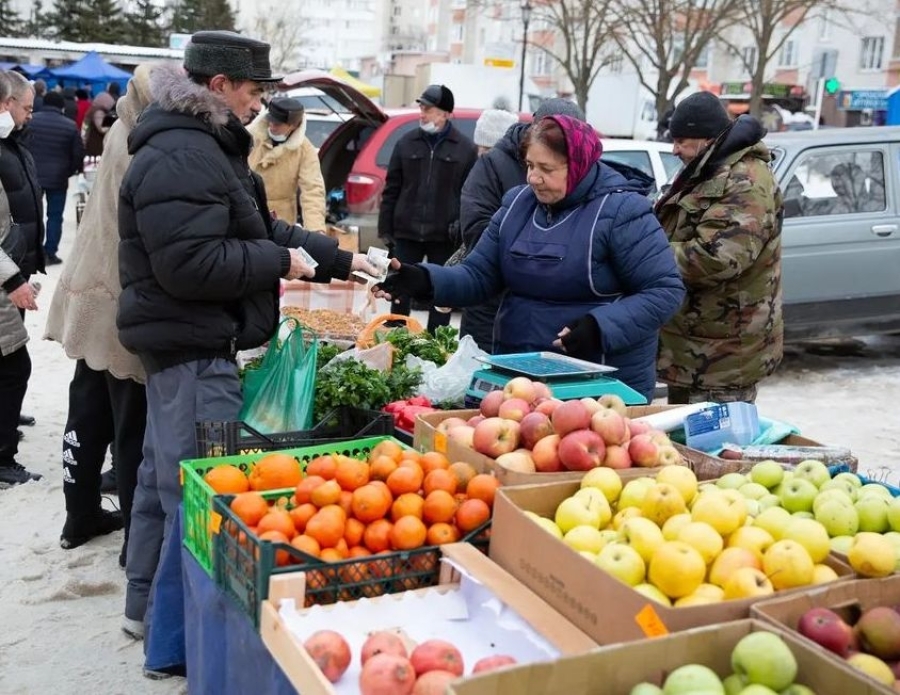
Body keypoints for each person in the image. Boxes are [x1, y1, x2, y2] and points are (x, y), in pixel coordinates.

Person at [116, 31, 378, 669]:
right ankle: (174, 646)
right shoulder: (184, 154)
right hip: (194, 341)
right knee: (200, 490)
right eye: (254, 92)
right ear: (218, 87)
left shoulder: (204, 144)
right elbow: (192, 264)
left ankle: (143, 613)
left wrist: (341, 258)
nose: (260, 106)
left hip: (186, 342)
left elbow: (256, 224)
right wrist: (282, 263)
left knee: (162, 478)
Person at [374, 115, 685, 402]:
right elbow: (478, 275)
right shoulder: (517, 205)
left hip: (597, 386)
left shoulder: (623, 211)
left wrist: (600, 327)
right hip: (519, 376)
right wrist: (424, 279)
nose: (534, 178)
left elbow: (664, 290)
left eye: (546, 169)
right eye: (529, 166)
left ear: (578, 165)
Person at [45, 64, 155, 560]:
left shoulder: (121, 129)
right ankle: (136, 540)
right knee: (129, 427)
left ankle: (79, 515)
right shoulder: (145, 142)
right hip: (119, 301)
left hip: (89, 290)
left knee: (86, 416)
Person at [654, 91, 784, 405]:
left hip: (723, 360)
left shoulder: (746, 181)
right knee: (681, 449)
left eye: (681, 141)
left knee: (714, 450)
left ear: (707, 140)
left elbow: (718, 258)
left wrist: (645, 256)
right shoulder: (708, 169)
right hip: (694, 349)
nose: (675, 150)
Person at [457, 98, 586, 352]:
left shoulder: (578, 168)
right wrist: (538, 258)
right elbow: (476, 229)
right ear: (534, 130)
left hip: (549, 314)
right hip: (492, 306)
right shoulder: (493, 164)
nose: (536, 178)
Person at [377, 84, 478, 332]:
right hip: (407, 232)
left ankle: (434, 343)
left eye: (428, 109)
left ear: (445, 113)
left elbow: (470, 195)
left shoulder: (464, 149)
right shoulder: (406, 143)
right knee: (400, 288)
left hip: (444, 236)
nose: (422, 113)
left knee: (440, 292)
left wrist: (461, 227)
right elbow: (391, 188)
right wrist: (386, 228)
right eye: (421, 108)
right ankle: (395, 338)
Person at [0, 72, 42, 487]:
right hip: (4, 272)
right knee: (13, 363)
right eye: (26, 108)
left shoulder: (15, 143)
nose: (29, 116)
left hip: (15, 265)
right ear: (6, 103)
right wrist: (11, 277)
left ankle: (7, 416)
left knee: (13, 355)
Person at [25, 91, 85, 265]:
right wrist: (68, 171)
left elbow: (23, 145)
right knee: (55, 216)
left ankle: (32, 251)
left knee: (33, 215)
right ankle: (50, 253)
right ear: (62, 107)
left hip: (33, 174)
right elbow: (78, 154)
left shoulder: (32, 120)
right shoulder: (70, 125)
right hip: (58, 178)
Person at [249, 96, 327, 230]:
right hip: (249, 215)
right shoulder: (250, 137)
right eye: (270, 121)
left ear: (294, 125)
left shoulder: (305, 150)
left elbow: (313, 192)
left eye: (278, 124)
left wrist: (315, 231)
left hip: (281, 221)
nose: (272, 126)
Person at [83, 90, 116, 158]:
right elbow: (102, 128)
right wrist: (113, 125)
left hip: (90, 145)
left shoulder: (92, 110)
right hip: (96, 147)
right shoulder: (98, 112)